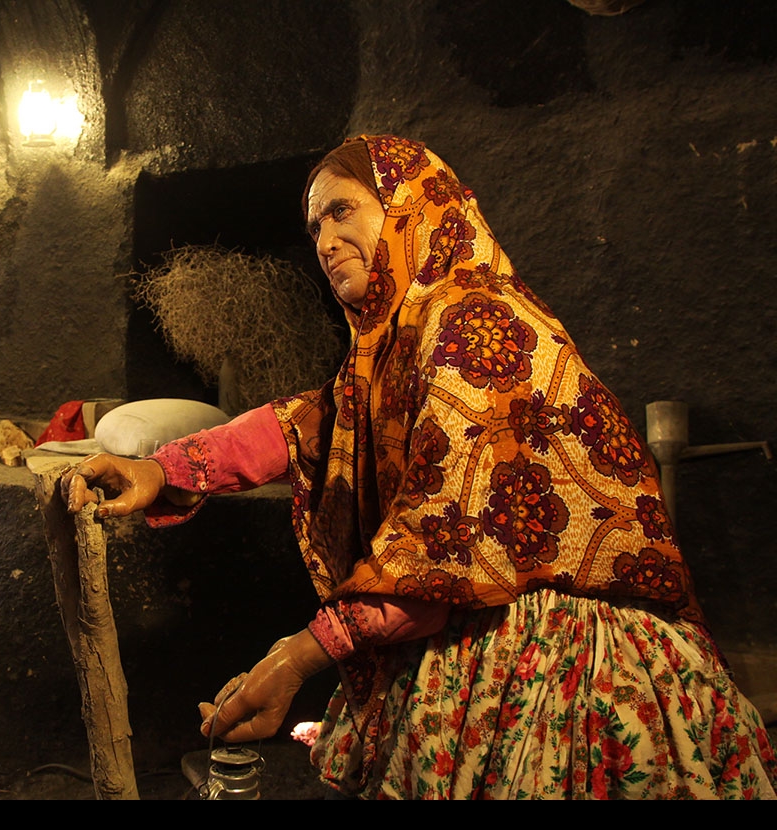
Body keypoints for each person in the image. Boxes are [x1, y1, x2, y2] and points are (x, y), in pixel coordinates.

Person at [62, 135, 776, 799]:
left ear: (412, 209)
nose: (326, 242)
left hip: (557, 656)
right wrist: (167, 471)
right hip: (463, 632)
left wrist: (298, 658)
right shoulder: (393, 348)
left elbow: (446, 539)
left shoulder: (470, 318)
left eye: (344, 212)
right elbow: (317, 423)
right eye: (315, 228)